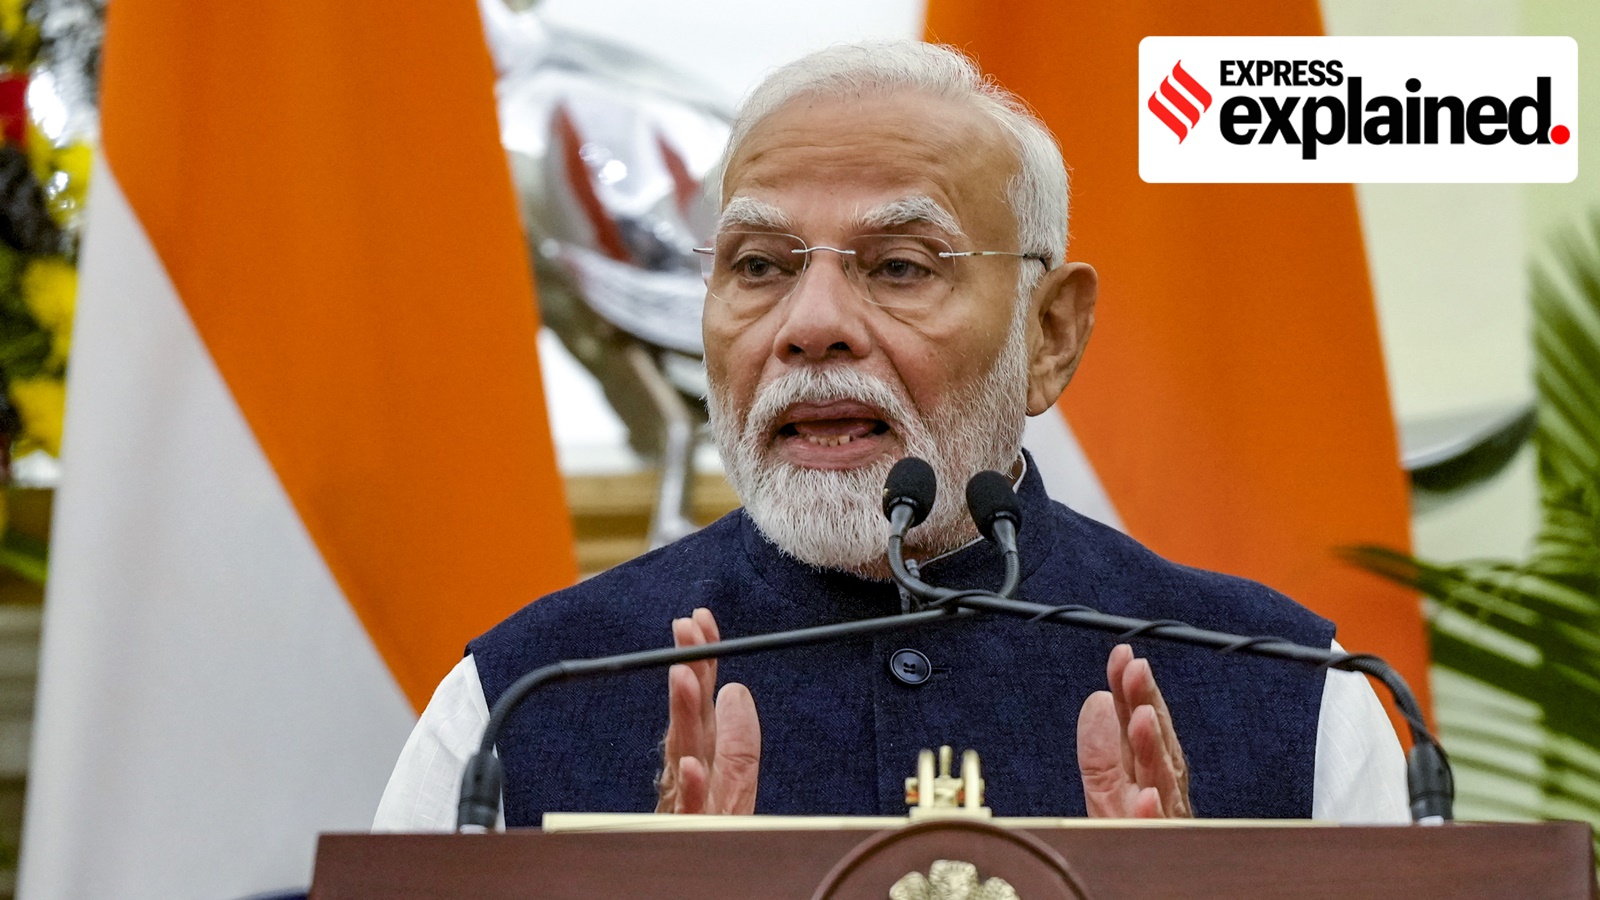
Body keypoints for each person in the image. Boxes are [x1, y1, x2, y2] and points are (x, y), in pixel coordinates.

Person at [373, 39, 1407, 830]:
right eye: (759, 266)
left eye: (900, 265)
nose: (808, 325)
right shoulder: (516, 703)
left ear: (1049, 334)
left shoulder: (1294, 695)